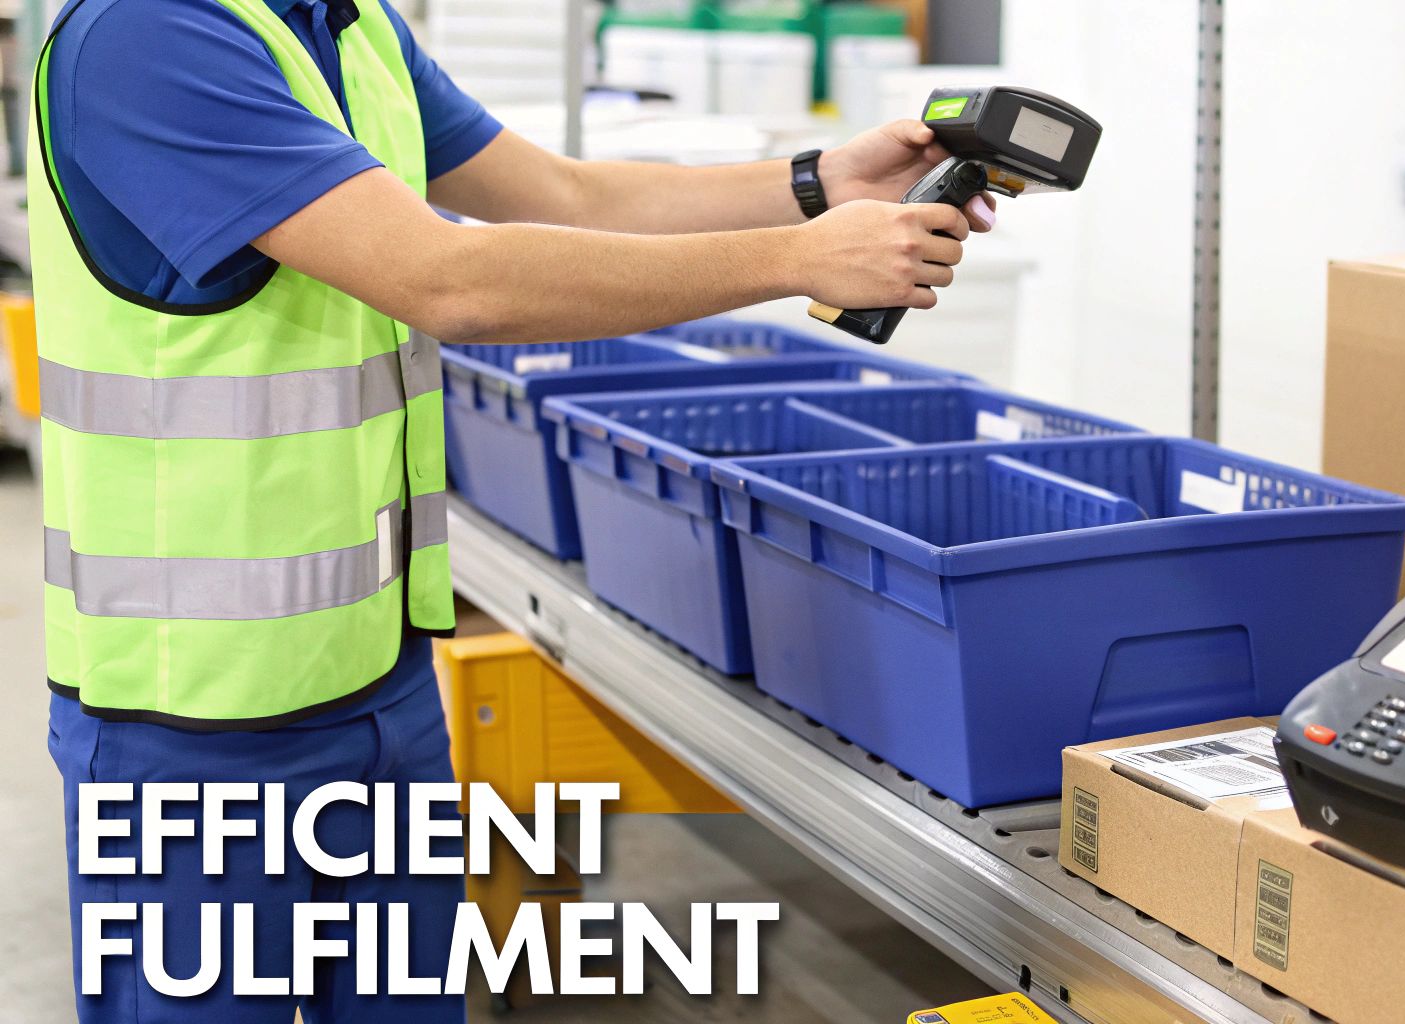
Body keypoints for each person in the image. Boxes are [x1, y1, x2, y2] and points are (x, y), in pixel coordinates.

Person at [32, 0, 991, 1021]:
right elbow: (449, 282)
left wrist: (815, 186)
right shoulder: (150, 36)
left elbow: (561, 192)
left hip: (377, 683)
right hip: (194, 721)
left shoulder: (347, 27)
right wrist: (794, 261)